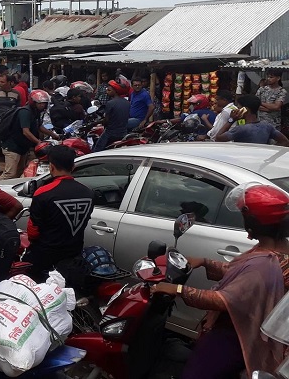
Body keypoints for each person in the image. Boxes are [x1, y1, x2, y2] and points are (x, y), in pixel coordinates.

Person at [152, 183, 289, 378]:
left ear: (251, 224)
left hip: (236, 335)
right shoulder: (279, 249)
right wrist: (206, 263)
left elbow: (223, 300)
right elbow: (244, 278)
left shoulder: (265, 263)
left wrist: (177, 289)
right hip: (251, 329)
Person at [25, 145, 94, 282]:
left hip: (44, 260)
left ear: (51, 166)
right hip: (74, 257)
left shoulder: (43, 193)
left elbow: (33, 232)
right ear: (73, 167)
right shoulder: (88, 193)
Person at [0, 89, 50, 180]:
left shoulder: (36, 112)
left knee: (20, 172)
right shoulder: (25, 112)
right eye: (39, 103)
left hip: (22, 146)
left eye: (44, 103)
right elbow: (26, 131)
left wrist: (54, 135)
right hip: (12, 146)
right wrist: (39, 142)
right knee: (10, 174)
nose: (42, 105)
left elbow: (39, 126)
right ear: (33, 102)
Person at [215, 95, 289, 146]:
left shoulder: (241, 129)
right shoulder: (267, 126)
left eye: (239, 107)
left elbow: (218, 139)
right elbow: (285, 142)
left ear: (245, 110)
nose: (237, 110)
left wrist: (231, 120)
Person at [92, 76, 131, 152]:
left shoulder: (110, 103)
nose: (107, 90)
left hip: (111, 133)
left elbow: (106, 120)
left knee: (96, 150)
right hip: (123, 132)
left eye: (109, 89)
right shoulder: (127, 102)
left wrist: (98, 123)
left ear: (115, 91)